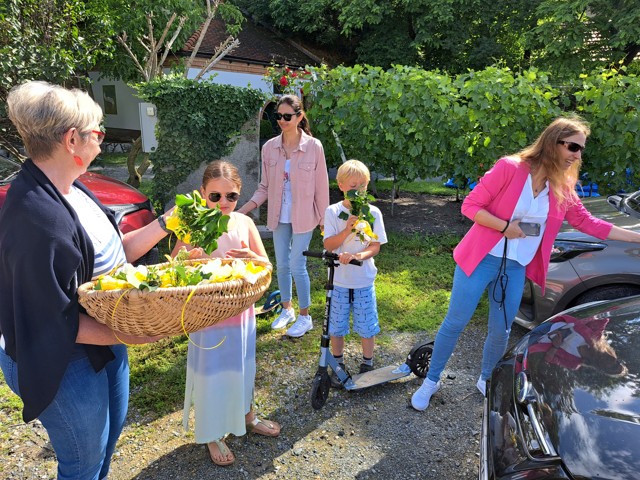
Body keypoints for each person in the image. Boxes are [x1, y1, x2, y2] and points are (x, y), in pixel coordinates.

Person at [410, 115, 640, 411]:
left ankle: (487, 379)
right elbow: (470, 206)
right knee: (455, 322)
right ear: (552, 142)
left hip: (515, 267)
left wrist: (636, 238)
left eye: (581, 149)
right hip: (481, 259)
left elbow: (588, 222)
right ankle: (431, 380)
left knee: (501, 329)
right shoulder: (510, 168)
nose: (577, 155)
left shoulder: (563, 186)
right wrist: (505, 227)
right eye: (573, 146)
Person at [0, 81, 169, 479]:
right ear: (72, 140)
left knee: (104, 446)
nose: (102, 140)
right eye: (98, 132)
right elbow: (48, 320)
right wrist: (132, 333)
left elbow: (112, 256)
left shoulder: (72, 189)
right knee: (82, 464)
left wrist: (167, 222)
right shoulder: (37, 219)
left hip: (102, 340)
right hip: (63, 358)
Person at [175, 160, 280, 467]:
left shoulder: (244, 223)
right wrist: (188, 258)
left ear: (239, 194)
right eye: (215, 196)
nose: (223, 202)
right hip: (207, 317)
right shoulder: (193, 223)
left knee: (243, 367)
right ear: (202, 193)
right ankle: (211, 432)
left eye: (231, 196)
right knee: (211, 374)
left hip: (241, 313)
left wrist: (253, 257)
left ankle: (247, 415)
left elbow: (267, 266)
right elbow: (173, 266)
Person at [237, 94, 329, 338]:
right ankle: (287, 309)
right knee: (282, 264)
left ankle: (305, 317)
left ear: (299, 117)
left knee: (298, 265)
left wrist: (324, 221)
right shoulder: (269, 148)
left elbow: (321, 187)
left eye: (287, 116)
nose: (281, 120)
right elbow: (264, 187)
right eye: (278, 116)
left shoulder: (314, 147)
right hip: (278, 216)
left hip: (304, 217)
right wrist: (242, 211)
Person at [323, 160, 387, 379]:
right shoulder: (333, 212)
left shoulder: (373, 212)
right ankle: (338, 362)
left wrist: (358, 256)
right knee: (336, 325)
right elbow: (328, 245)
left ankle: (367, 363)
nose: (358, 191)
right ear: (341, 186)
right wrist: (347, 230)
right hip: (339, 281)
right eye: (352, 186)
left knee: (366, 324)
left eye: (362, 186)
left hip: (363, 280)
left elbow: (375, 245)